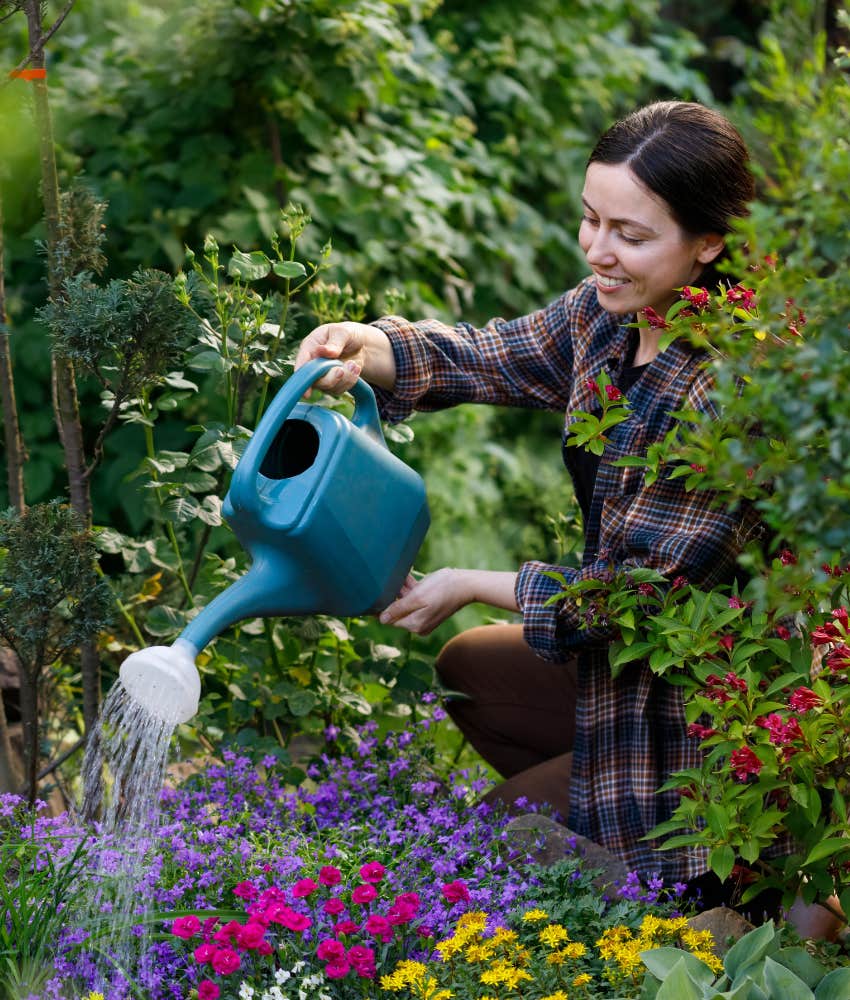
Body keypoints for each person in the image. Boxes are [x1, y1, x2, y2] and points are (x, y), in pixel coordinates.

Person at [293, 101, 765, 891]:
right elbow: (491, 355)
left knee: (494, 848)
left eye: (632, 235)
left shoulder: (729, 388)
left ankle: (699, 886)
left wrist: (475, 584)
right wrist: (366, 344)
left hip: (711, 711)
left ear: (710, 242)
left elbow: (635, 605)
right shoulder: (608, 318)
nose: (599, 252)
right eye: (591, 220)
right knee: (471, 666)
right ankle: (602, 798)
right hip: (631, 671)